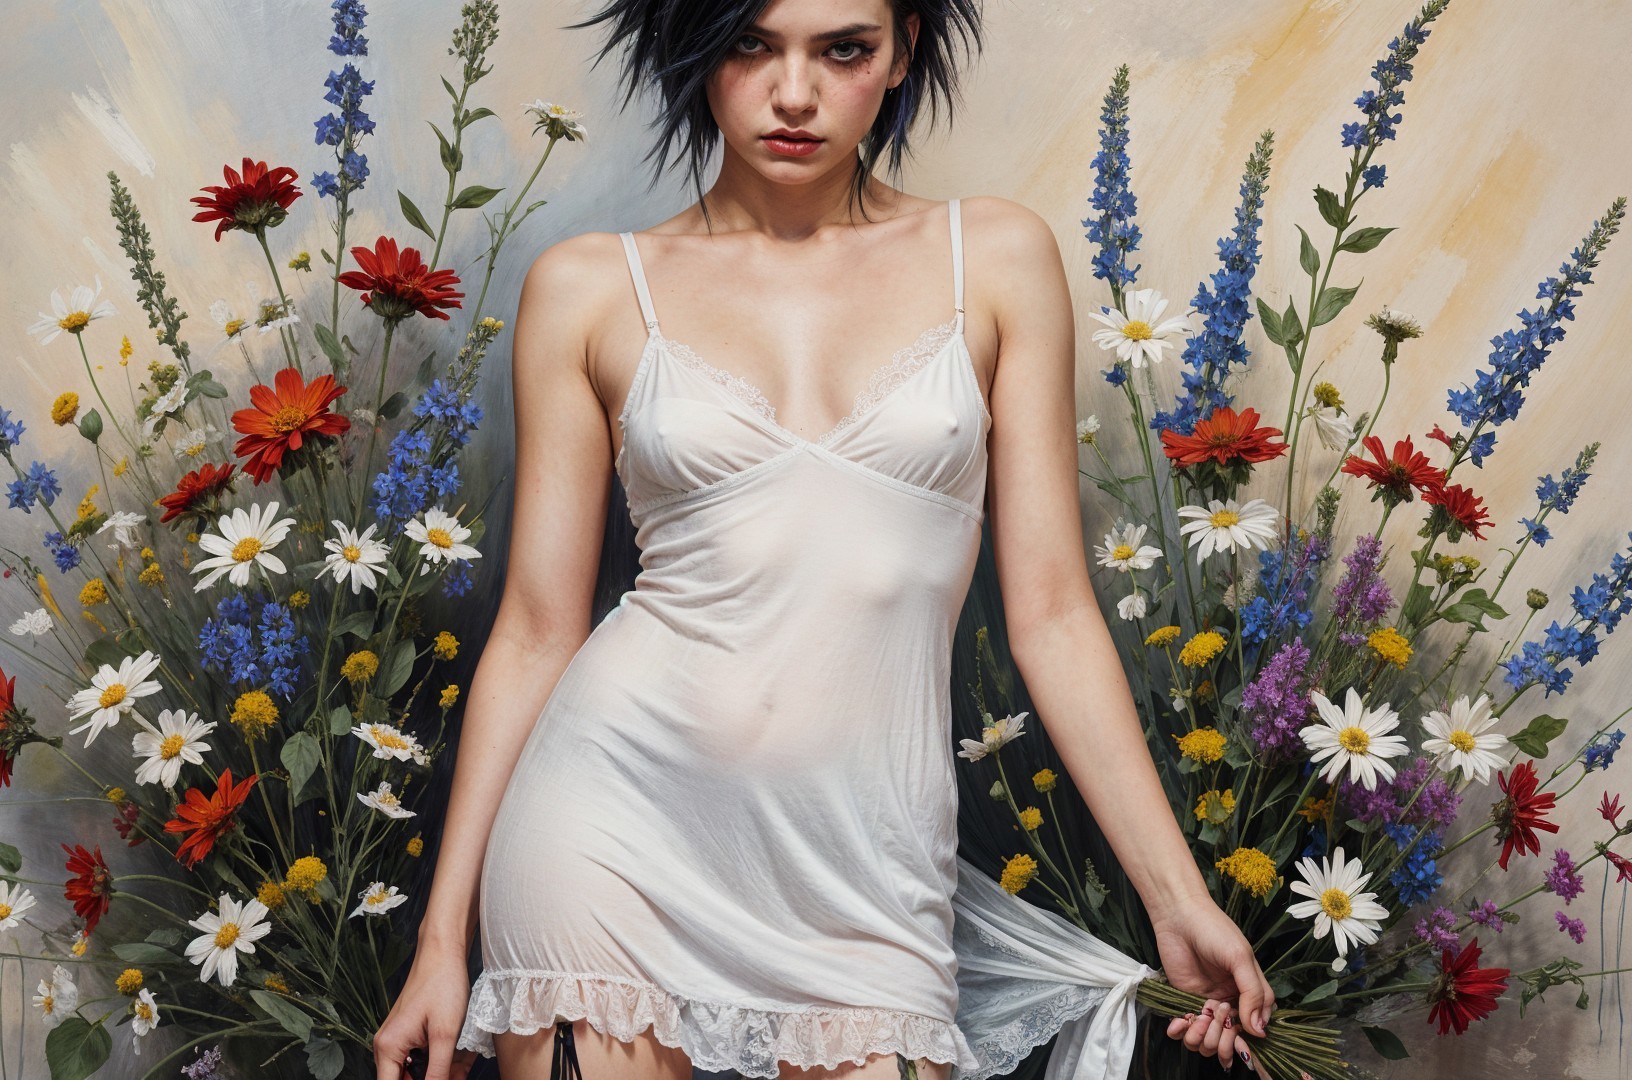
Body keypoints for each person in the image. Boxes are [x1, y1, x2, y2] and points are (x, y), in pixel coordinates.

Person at [373, 2, 1276, 1078]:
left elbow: (1054, 614)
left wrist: (1177, 900)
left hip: (867, 872)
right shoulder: (590, 287)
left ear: (899, 56)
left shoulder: (991, 258)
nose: (793, 93)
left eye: (842, 49)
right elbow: (533, 630)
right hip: (611, 832)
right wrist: (441, 943)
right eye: (753, 44)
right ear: (697, 52)